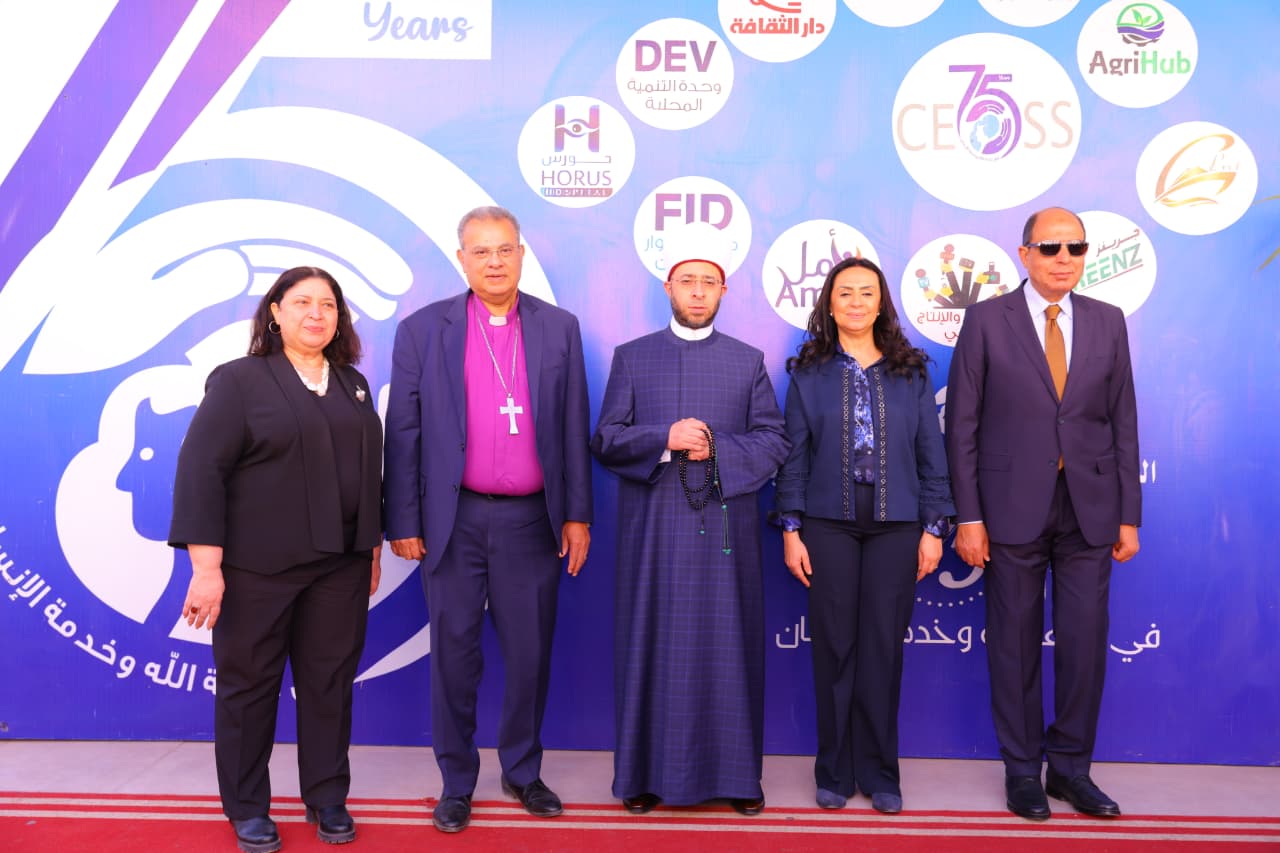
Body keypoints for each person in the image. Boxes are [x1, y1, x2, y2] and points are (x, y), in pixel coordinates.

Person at [383, 206, 592, 834]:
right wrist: (403, 518)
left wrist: (577, 515)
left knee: (530, 655)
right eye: (481, 251)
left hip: (531, 522)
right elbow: (404, 431)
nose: (494, 262)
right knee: (453, 656)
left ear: (522, 254)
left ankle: (523, 772)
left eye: (505, 250)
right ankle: (456, 782)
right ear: (462, 259)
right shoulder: (423, 330)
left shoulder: (559, 327)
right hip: (454, 521)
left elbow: (573, 425)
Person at [169, 266, 384, 853]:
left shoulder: (353, 385)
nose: (317, 314)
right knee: (249, 689)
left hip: (339, 568)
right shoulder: (239, 381)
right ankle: (246, 807)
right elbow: (201, 473)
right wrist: (206, 570)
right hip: (255, 570)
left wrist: (368, 549)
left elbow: (368, 474)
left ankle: (327, 797)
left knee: (329, 685)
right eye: (302, 302)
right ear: (275, 312)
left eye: (328, 305)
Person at [945, 207, 1141, 821]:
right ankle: (1023, 771)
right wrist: (968, 517)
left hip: (1090, 509)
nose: (1064, 258)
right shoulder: (986, 320)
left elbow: (1123, 421)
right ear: (1025, 253)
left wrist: (1129, 515)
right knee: (1014, 645)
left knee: (1084, 645)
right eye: (1051, 247)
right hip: (1008, 509)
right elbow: (962, 426)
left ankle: (1072, 771)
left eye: (1075, 247)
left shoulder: (1108, 320)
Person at [591, 228, 790, 816]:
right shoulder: (632, 357)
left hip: (726, 536)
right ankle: (642, 776)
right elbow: (606, 438)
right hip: (653, 532)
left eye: (709, 282)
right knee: (651, 644)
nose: (698, 291)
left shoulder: (747, 361)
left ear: (724, 290)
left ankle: (738, 777)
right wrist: (665, 438)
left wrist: (715, 449)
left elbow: (773, 440)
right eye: (687, 281)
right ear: (668, 287)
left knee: (728, 649)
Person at [774, 256, 955, 815]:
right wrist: (791, 528)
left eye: (866, 292)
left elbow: (931, 455)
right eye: (845, 292)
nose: (856, 301)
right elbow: (794, 458)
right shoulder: (808, 374)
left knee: (881, 650)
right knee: (834, 650)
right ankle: (833, 770)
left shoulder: (911, 372)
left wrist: (933, 528)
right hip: (826, 525)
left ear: (882, 304)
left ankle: (879, 773)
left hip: (896, 527)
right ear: (829, 304)